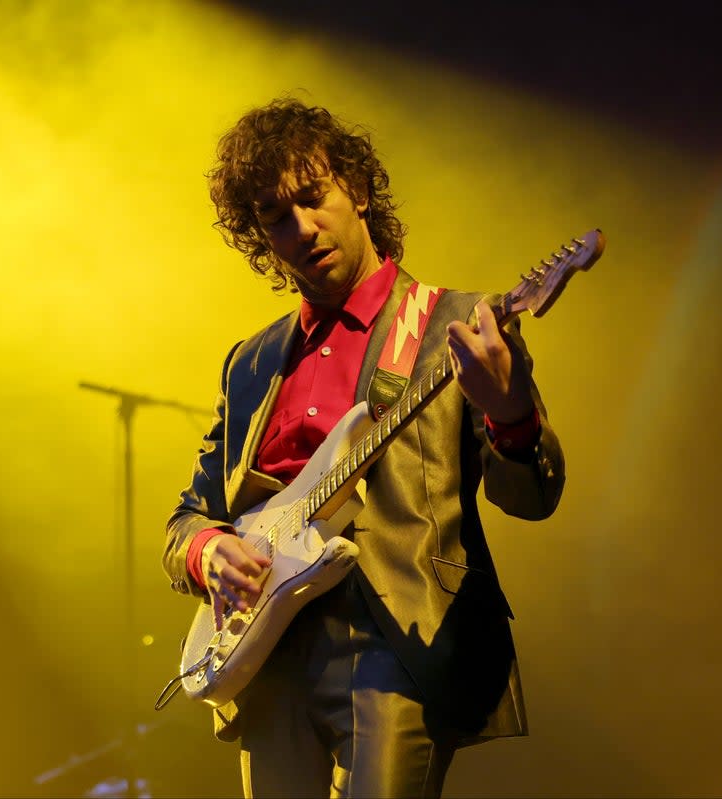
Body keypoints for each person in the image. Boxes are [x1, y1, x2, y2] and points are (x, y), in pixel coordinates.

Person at [162, 96, 565, 798]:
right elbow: (188, 518)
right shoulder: (251, 362)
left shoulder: (456, 324)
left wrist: (510, 413)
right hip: (266, 651)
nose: (301, 228)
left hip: (395, 639)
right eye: (274, 217)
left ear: (358, 186)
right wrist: (210, 552)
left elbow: (533, 495)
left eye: (312, 198)